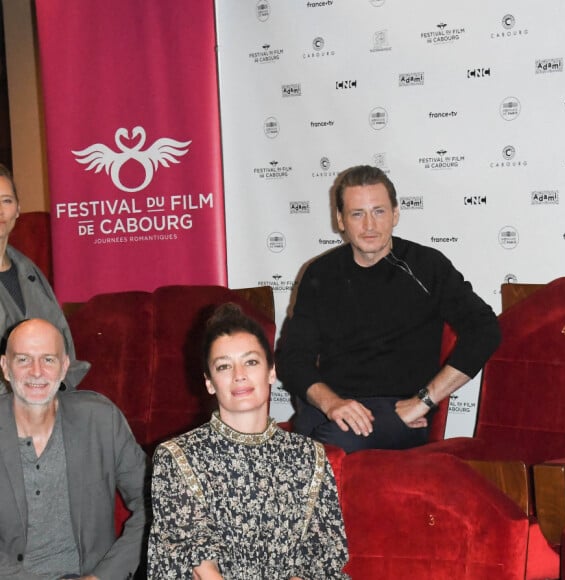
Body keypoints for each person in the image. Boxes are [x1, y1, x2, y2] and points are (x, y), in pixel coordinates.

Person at [276, 165, 501, 453]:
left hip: (397, 411)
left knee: (325, 448)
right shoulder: (320, 274)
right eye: (357, 214)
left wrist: (424, 401)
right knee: (293, 447)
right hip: (331, 404)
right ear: (340, 220)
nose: (369, 225)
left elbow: (484, 329)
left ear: (395, 214)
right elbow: (294, 358)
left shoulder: (427, 267)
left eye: (379, 211)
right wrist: (331, 403)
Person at [147, 303, 349, 580]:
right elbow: (196, 559)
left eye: (251, 361)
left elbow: (322, 555)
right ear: (209, 382)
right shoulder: (176, 456)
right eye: (224, 366)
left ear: (271, 372)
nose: (239, 374)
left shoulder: (308, 455)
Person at [0, 318, 149, 579]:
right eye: (23, 359)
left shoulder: (101, 419)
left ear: (64, 366)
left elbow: (155, 500)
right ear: (5, 367)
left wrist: (103, 577)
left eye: (48, 359)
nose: (36, 371)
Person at [0, 164, 89, 394]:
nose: (0, 210)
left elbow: (62, 343)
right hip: (8, 409)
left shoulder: (28, 271)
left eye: (6, 201)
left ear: (18, 209)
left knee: (101, 414)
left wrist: (58, 389)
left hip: (46, 401)